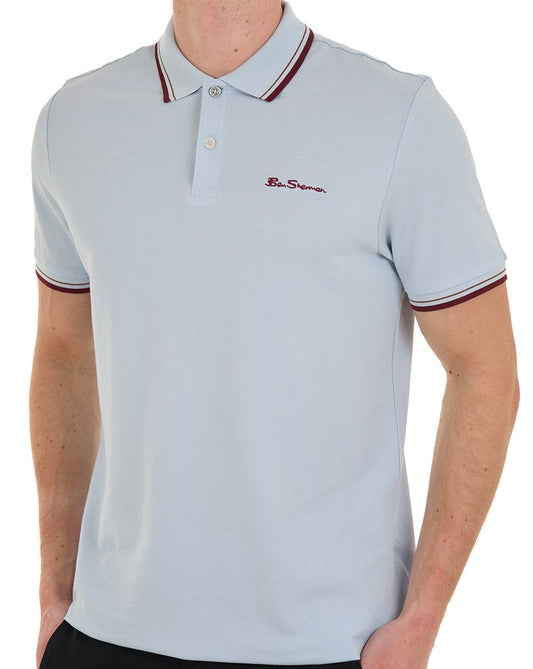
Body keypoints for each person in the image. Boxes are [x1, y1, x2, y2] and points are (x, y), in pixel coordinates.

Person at [29, 1, 519, 668]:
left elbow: (483, 367)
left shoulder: (401, 118)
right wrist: (54, 592)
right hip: (105, 634)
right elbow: (64, 352)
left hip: (330, 645)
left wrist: (423, 618)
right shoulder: (73, 120)